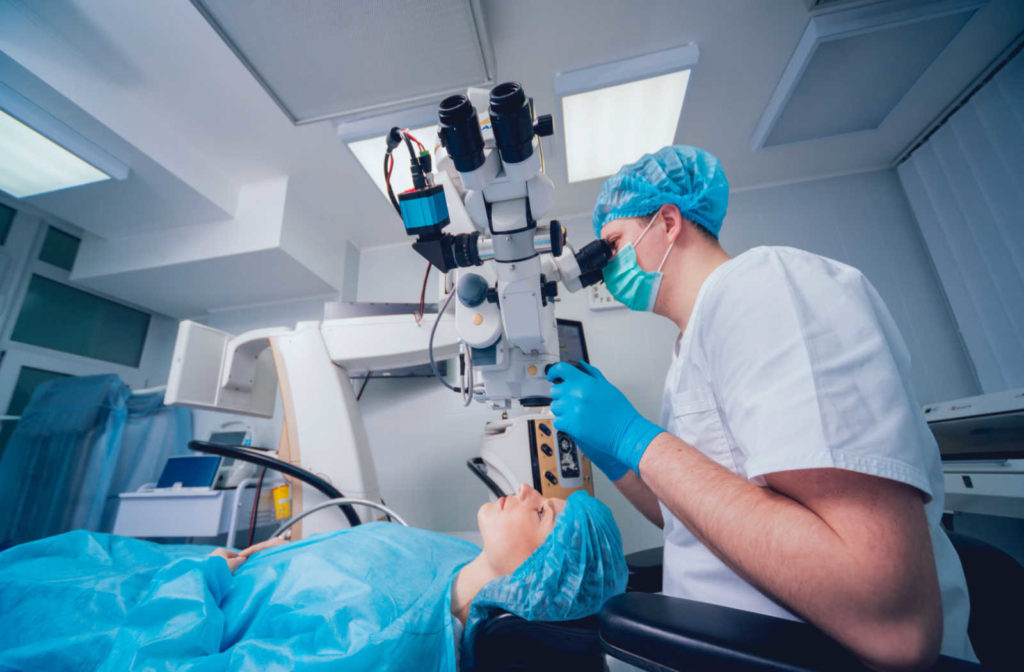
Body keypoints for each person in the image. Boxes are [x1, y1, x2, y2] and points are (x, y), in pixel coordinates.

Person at [546, 145, 975, 672]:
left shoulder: (766, 288)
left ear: (669, 222)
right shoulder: (691, 347)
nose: (605, 268)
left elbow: (891, 620)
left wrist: (636, 439)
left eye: (611, 246)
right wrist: (618, 461)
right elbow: (697, 517)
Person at [0, 484, 626, 671]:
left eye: (542, 512)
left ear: (538, 577)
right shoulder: (453, 559)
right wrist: (280, 559)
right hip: (179, 580)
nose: (525, 489)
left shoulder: (383, 644)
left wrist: (204, 576)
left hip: (133, 617)